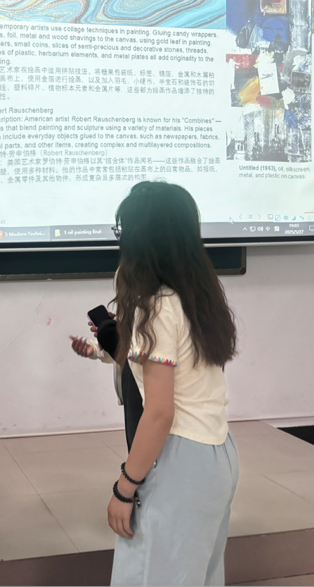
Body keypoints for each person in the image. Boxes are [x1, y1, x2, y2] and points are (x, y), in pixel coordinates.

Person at [70, 181, 239, 586]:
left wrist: (124, 488)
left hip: (181, 459)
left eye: (123, 230)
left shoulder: (157, 307)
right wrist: (103, 351)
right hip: (217, 452)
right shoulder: (197, 293)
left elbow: (160, 412)